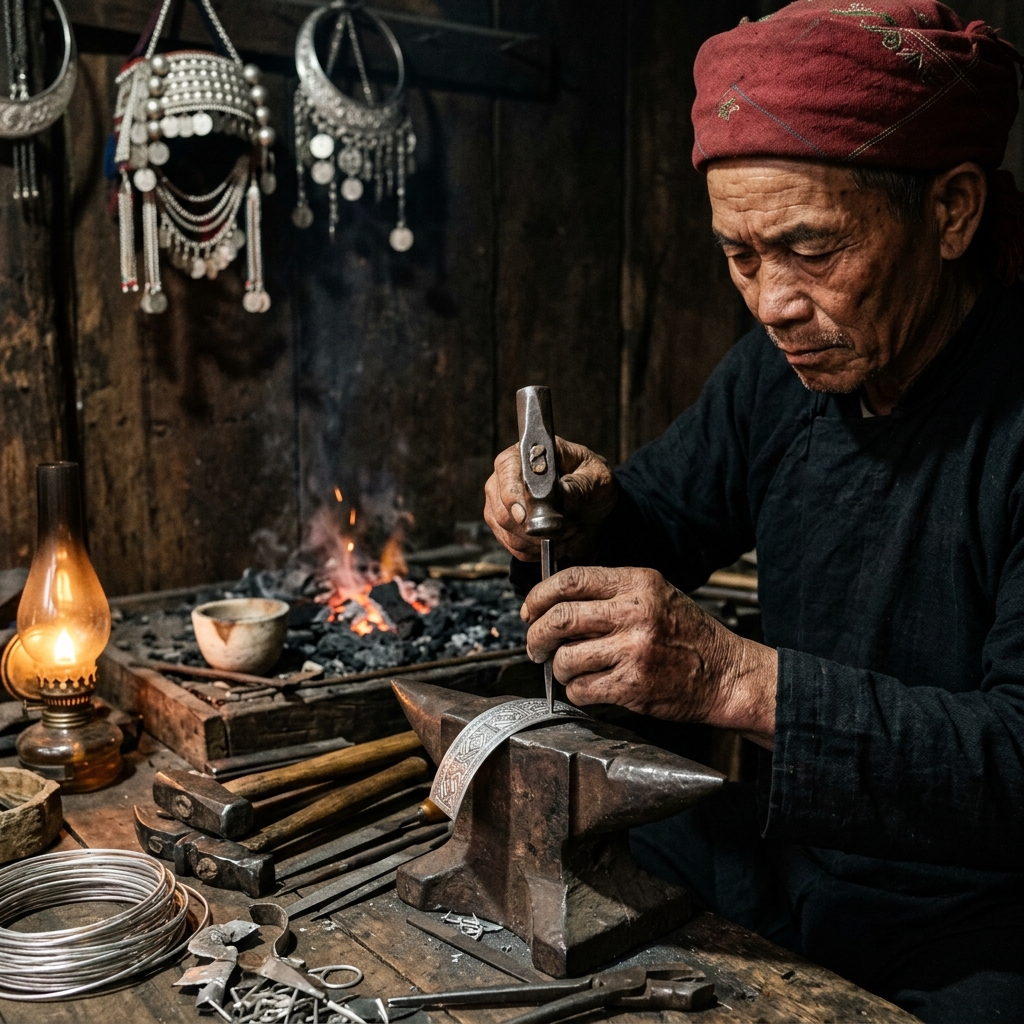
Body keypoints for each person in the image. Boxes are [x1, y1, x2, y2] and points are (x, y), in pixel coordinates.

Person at [483, 3, 1024, 1021]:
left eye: (811, 249)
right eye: (740, 255)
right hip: (793, 854)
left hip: (980, 909)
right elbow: (652, 522)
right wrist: (565, 514)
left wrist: (730, 677)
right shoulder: (778, 377)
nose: (771, 302)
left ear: (950, 211)